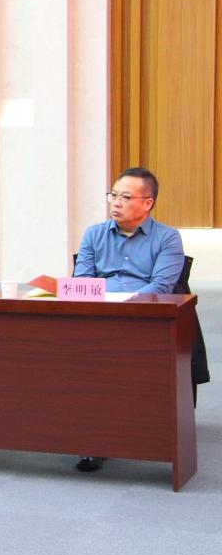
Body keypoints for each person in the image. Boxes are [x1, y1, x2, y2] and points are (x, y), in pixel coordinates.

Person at [72, 167, 198, 473]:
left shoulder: (167, 238)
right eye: (113, 195)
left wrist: (120, 304)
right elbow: (82, 282)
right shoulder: (94, 234)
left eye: (126, 197)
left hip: (146, 322)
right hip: (98, 320)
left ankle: (139, 435)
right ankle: (91, 440)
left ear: (147, 203)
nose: (116, 203)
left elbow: (161, 287)